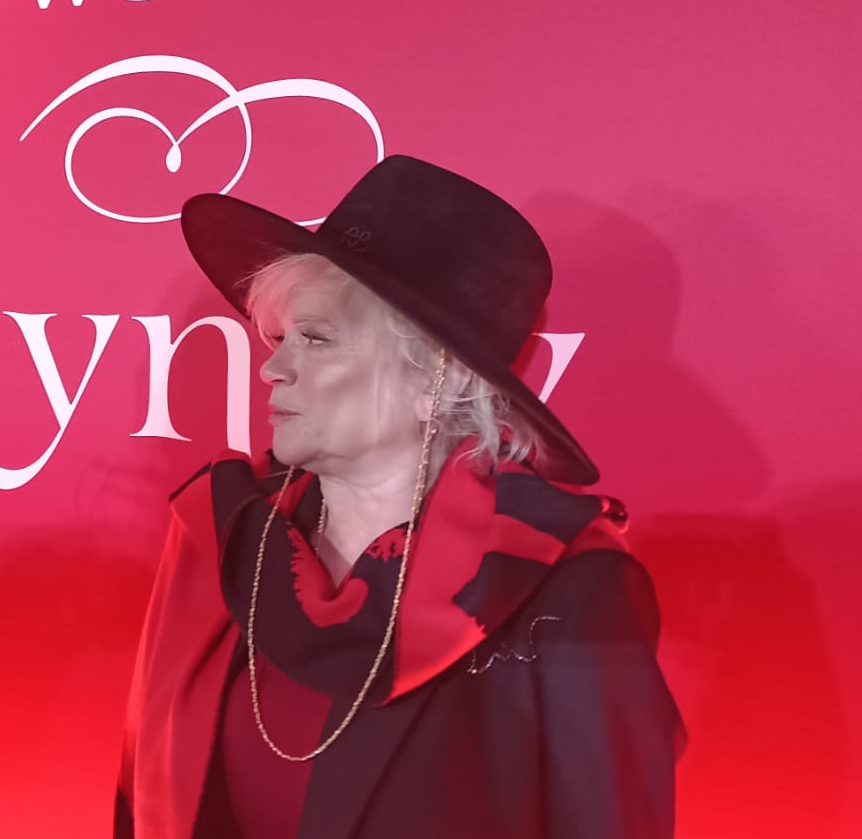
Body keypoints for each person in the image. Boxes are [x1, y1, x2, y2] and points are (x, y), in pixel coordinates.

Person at [117, 157, 683, 839]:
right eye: (280, 338)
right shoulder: (228, 536)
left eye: (316, 339)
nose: (273, 367)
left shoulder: (567, 589)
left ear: (441, 382)